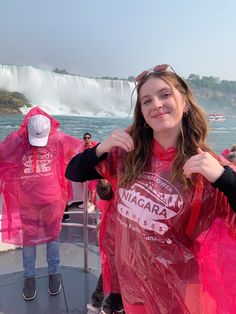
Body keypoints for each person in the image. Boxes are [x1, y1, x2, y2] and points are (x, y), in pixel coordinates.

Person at [65, 64, 236, 313]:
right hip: (132, 283)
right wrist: (100, 149)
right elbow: (74, 172)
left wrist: (225, 178)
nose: (156, 104)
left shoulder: (206, 165)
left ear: (185, 103)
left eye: (165, 95)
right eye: (146, 101)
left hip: (179, 288)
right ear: (142, 113)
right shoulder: (127, 156)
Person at [0, 107, 82, 301]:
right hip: (27, 201)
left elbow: (79, 151)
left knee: (53, 238)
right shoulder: (16, 141)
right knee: (28, 241)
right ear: (27, 129)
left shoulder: (58, 139)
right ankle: (29, 276)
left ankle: (54, 272)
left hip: (52, 200)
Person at [87, 179, 125, 314]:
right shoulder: (123, 163)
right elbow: (108, 195)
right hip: (117, 227)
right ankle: (102, 304)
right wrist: (104, 184)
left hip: (137, 234)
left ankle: (106, 305)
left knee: (120, 271)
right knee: (112, 268)